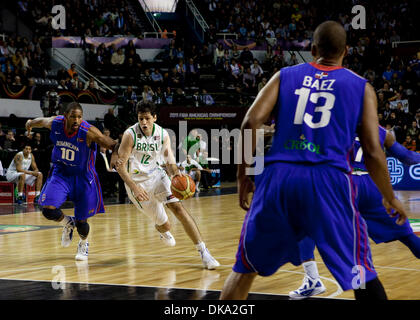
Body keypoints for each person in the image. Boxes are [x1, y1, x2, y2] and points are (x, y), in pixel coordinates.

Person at [219, 21, 407, 300]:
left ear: (313, 49)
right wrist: (389, 196)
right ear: (346, 51)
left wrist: (244, 174)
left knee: (245, 268)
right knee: (361, 274)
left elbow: (250, 122)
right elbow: (372, 149)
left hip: (278, 178)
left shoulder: (284, 75)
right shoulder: (360, 87)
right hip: (329, 181)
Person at [290, 127, 420, 299]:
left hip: (343, 184)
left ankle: (313, 279)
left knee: (307, 222)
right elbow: (408, 157)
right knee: (408, 236)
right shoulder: (378, 129)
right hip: (373, 186)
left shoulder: (332, 124)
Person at [114, 101, 220, 269]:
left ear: (154, 118)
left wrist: (176, 173)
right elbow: (120, 166)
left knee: (178, 208)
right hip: (137, 182)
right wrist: (134, 187)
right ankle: (162, 230)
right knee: (166, 225)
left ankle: (204, 252)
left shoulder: (162, 134)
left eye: (147, 118)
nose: (144, 123)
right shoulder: (130, 135)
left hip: (157, 176)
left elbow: (169, 160)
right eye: (141, 118)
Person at [25, 102, 118, 261]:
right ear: (65, 116)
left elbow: (111, 144)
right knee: (48, 209)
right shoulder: (56, 123)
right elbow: (40, 121)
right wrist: (30, 124)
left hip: (83, 177)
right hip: (61, 173)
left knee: (82, 223)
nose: (76, 120)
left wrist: (116, 156)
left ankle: (83, 243)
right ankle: (67, 223)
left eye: (79, 117)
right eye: (73, 116)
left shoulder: (88, 131)